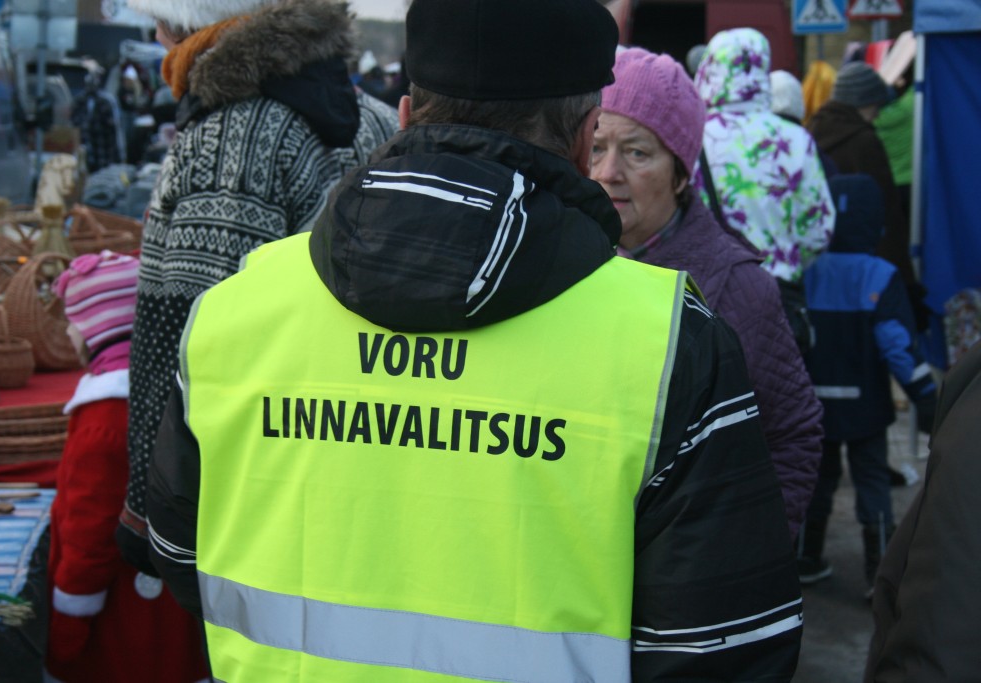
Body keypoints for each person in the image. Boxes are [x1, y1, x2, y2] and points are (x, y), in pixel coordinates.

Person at [145, 0, 803, 680]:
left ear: (404, 116)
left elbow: (177, 549)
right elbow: (726, 647)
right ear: (584, 142)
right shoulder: (670, 343)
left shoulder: (233, 314)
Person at [117, 0, 400, 571]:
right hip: (362, 455)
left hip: (254, 495)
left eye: (163, 21)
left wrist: (150, 505)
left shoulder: (228, 137)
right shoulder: (375, 116)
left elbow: (196, 341)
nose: (156, 34)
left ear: (193, 23)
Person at [591, 47, 823, 538]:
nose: (609, 172)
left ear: (680, 174)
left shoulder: (735, 285)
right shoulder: (559, 261)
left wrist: (745, 560)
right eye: (595, 146)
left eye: (636, 152)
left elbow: (792, 432)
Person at [46, 251, 209, 683]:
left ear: (96, 328)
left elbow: (89, 534)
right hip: (169, 609)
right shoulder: (154, 393)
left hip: (123, 618)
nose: (68, 330)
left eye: (74, 320)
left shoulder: (104, 419)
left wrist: (68, 625)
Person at [798, 174, 937, 598]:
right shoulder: (880, 275)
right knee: (873, 482)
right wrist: (927, 399)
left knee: (816, 483)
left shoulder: (805, 269)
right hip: (867, 407)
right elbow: (897, 345)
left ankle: (805, 560)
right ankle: (879, 574)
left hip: (814, 405)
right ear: (875, 224)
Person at [693, 28, 834, 355]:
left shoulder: (694, 136)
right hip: (778, 299)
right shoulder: (796, 139)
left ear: (710, 68)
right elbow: (818, 230)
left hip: (708, 296)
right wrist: (787, 259)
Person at [864, 341, 981, 682]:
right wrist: (922, 393)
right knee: (870, 480)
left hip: (836, 394)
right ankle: (866, 557)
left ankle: (813, 553)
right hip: (867, 400)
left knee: (845, 478)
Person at [806, 61, 927, 331]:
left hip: (822, 268)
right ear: (863, 104)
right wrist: (906, 285)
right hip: (868, 274)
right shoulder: (864, 142)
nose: (876, 115)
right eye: (874, 107)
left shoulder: (812, 132)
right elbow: (889, 219)